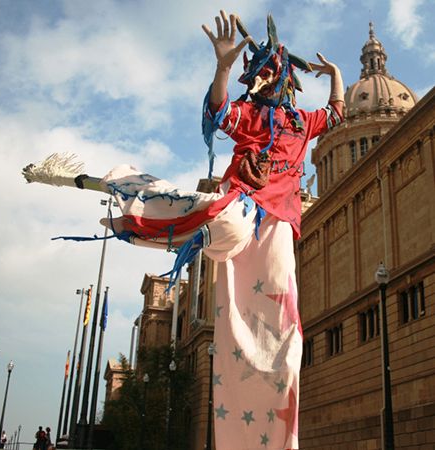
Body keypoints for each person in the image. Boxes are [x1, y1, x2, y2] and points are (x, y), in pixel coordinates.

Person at [71, 10, 343, 450]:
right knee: (219, 217)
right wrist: (222, 67)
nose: (261, 83)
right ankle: (141, 209)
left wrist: (336, 74)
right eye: (257, 77)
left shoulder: (301, 123)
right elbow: (218, 111)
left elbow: (336, 113)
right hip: (241, 205)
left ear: (286, 81)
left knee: (284, 324)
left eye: (270, 75)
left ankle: (272, 431)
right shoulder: (250, 115)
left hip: (279, 224)